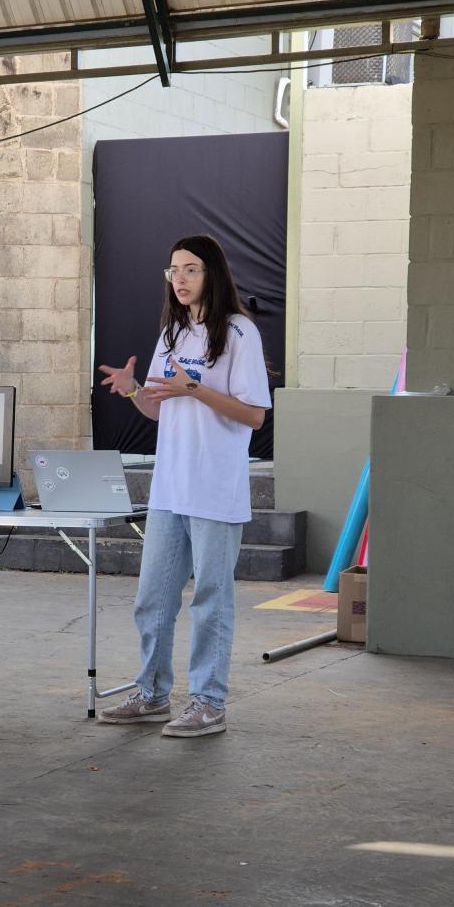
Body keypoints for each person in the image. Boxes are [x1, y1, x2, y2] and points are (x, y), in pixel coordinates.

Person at [97, 235, 270, 737]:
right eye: (173, 270)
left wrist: (194, 387)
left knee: (210, 599)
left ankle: (208, 702)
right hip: (169, 490)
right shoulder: (173, 332)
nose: (180, 278)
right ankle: (152, 694)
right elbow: (158, 407)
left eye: (191, 269)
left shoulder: (239, 332)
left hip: (214, 489)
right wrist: (132, 390)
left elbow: (254, 416)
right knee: (152, 598)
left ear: (212, 273)